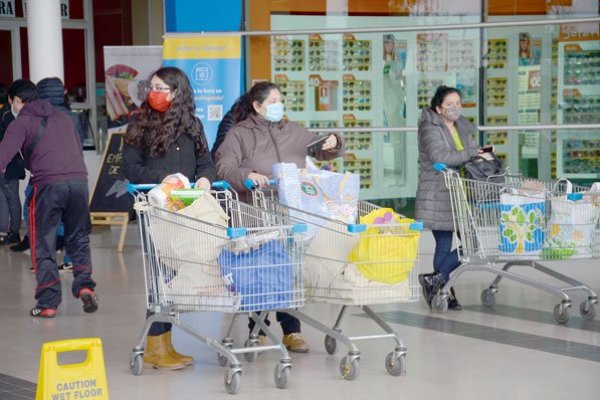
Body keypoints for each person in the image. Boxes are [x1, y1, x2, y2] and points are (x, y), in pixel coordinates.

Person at [215, 81, 344, 352]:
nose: (278, 105)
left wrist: (334, 142)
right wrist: (246, 176)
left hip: (289, 212)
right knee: (260, 272)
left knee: (290, 269)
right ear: (257, 106)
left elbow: (319, 148)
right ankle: (257, 329)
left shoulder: (292, 130)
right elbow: (224, 166)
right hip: (255, 210)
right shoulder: (240, 134)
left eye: (280, 100)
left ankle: (292, 331)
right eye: (273, 101)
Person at [122, 66, 216, 371]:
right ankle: (156, 345)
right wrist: (165, 179)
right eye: (152, 87)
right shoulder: (140, 124)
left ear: (177, 92)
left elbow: (206, 161)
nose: (154, 92)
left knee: (180, 275)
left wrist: (204, 179)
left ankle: (165, 343)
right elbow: (130, 168)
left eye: (160, 87)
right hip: (158, 209)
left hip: (187, 209)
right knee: (159, 277)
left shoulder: (192, 125)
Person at [0, 79, 97, 318]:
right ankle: (85, 285)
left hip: (48, 186)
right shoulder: (65, 117)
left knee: (43, 243)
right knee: (78, 237)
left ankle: (47, 302)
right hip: (79, 183)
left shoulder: (20, 122)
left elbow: (2, 158)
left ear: (17, 101)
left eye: (10, 101)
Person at [415, 86, 480, 311]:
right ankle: (444, 291)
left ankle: (437, 282)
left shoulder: (462, 126)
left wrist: (481, 155)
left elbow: (471, 152)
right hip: (437, 192)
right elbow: (439, 156)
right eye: (449, 105)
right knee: (444, 243)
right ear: (438, 108)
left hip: (459, 192)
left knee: (473, 243)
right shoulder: (430, 127)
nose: (455, 108)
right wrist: (472, 154)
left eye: (458, 103)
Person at [0, 86, 26, 246]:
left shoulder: (6, 116)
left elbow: (11, 142)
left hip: (8, 164)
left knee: (10, 198)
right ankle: (5, 231)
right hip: (7, 163)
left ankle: (13, 232)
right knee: (4, 197)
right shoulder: (7, 115)